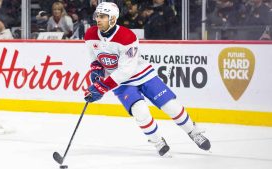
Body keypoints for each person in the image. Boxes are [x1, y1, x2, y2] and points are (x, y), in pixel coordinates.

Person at [83, 2, 211, 157]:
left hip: (142, 75)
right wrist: (96, 75)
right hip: (121, 83)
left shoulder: (127, 36)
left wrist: (103, 86)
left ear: (113, 19)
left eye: (102, 16)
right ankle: (158, 142)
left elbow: (126, 70)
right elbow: (95, 59)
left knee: (171, 106)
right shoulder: (90, 34)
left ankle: (193, 131)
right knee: (140, 112)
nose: (98, 19)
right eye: (97, 16)